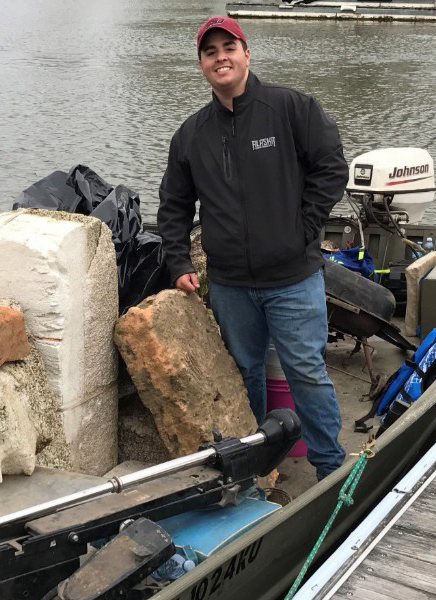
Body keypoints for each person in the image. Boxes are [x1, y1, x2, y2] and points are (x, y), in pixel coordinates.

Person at [157, 16, 348, 480]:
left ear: (246, 54)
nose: (221, 57)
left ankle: (332, 470)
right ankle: (259, 469)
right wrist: (179, 261)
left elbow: (331, 168)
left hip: (293, 279)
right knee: (244, 376)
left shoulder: (291, 108)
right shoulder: (191, 134)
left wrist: (302, 229)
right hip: (230, 285)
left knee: (306, 374)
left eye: (229, 47)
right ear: (202, 65)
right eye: (210, 51)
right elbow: (174, 204)